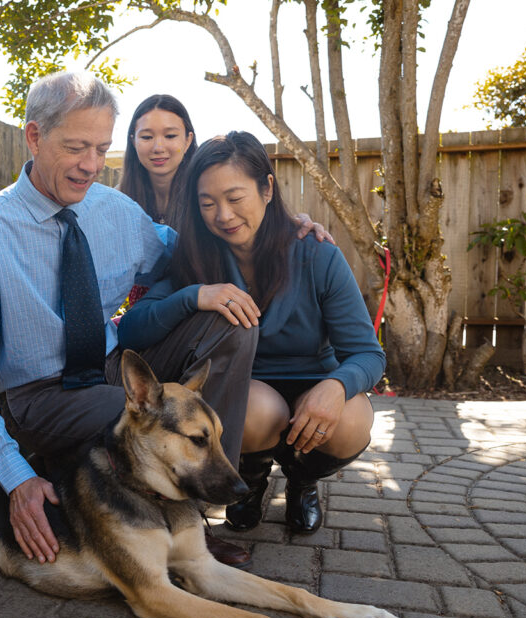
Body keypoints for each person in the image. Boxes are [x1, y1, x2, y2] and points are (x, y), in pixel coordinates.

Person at [0, 72, 258, 570]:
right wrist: (16, 478)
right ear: (35, 136)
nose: (90, 165)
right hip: (40, 397)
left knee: (229, 322)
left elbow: (182, 253)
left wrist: (276, 228)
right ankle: (180, 531)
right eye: (76, 147)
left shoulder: (115, 211)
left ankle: (206, 495)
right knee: (134, 416)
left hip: (112, 367)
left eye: (102, 148)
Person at [118, 131, 384, 535]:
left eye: (235, 197)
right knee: (261, 410)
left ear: (267, 189)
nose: (223, 215)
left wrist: (336, 385)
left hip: (316, 379)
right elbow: (134, 329)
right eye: (207, 204)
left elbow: (368, 354)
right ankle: (252, 482)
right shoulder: (195, 258)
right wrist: (195, 295)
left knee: (351, 422)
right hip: (251, 389)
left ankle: (302, 481)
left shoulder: (317, 254)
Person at [117, 94, 197, 223]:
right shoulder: (118, 200)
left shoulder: (204, 195)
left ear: (188, 140)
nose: (158, 148)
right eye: (147, 137)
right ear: (133, 142)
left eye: (170, 136)